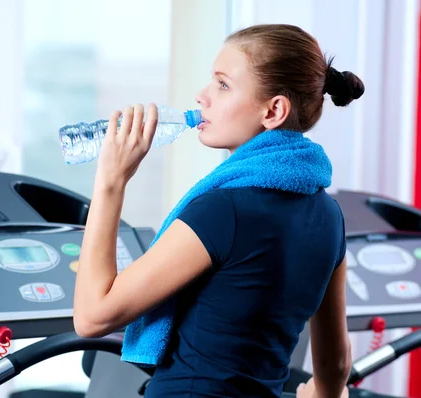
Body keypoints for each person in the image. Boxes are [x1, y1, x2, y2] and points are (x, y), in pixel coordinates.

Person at [73, 23, 363, 398]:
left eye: (222, 85)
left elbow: (93, 316)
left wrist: (110, 181)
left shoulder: (223, 211)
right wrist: (322, 393)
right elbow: (335, 365)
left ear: (274, 110)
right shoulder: (330, 217)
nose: (201, 96)